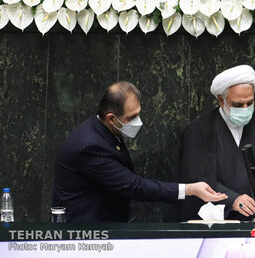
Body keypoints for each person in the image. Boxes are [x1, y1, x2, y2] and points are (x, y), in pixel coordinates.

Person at [52, 81, 226, 223]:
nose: (138, 122)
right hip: (87, 234)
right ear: (111, 118)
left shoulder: (105, 130)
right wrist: (189, 189)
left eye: (138, 114)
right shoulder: (90, 146)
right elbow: (134, 186)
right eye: (131, 117)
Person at [176, 65, 255, 221]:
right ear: (221, 100)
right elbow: (195, 178)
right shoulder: (199, 131)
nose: (245, 109)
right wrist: (232, 199)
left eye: (249, 103)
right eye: (238, 105)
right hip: (215, 222)